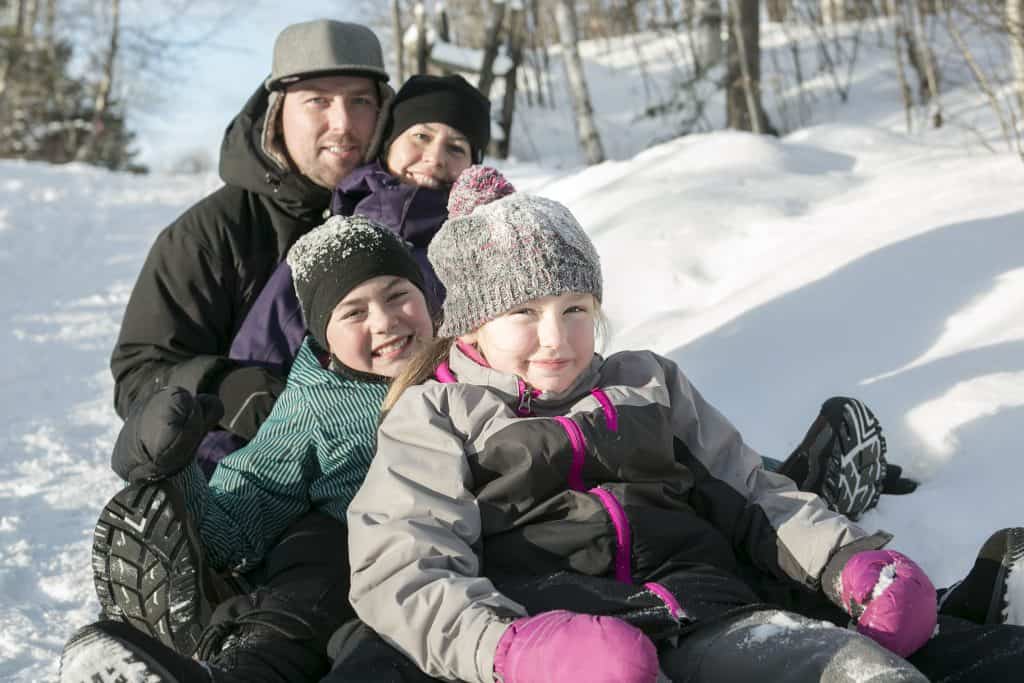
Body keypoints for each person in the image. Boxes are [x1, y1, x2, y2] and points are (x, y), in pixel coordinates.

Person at [328, 190, 1024, 682]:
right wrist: (515, 649)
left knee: (865, 671)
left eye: (576, 308)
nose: (556, 337)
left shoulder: (646, 382)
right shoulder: (437, 416)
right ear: (471, 325)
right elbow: (406, 569)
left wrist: (846, 561)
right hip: (574, 652)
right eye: (523, 312)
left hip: (717, 614)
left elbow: (751, 489)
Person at [60, 216, 436, 682]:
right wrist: (177, 470)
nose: (385, 320)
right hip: (350, 558)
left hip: (456, 549)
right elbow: (247, 503)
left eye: (398, 294)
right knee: (302, 591)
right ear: (324, 336)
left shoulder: (467, 364)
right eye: (354, 312)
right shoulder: (315, 408)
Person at [109, 19, 393, 469]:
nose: (342, 123)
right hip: (251, 480)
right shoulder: (209, 234)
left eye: (360, 101)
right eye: (317, 101)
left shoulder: (410, 215)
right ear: (277, 110)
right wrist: (222, 386)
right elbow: (139, 375)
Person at [190, 72, 493, 475]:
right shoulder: (338, 239)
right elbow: (261, 357)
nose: (436, 157)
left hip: (443, 455)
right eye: (421, 136)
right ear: (389, 141)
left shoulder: (480, 250)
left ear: (473, 165)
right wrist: (211, 473)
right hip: (328, 456)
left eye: (456, 146)